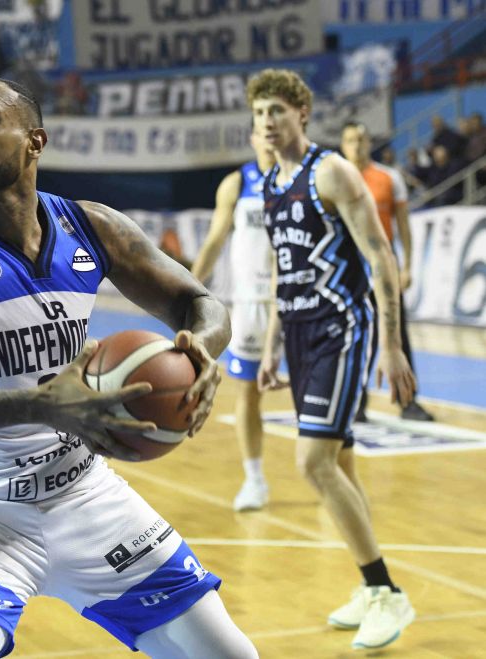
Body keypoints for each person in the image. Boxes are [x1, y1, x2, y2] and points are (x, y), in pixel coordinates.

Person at [0, 77, 257, 659]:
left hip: (84, 493)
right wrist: (38, 405)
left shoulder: (91, 227)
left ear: (34, 141)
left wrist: (201, 350)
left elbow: (201, 302)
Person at [249, 69, 417, 650]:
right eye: (259, 113)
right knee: (340, 464)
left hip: (340, 328)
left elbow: (380, 254)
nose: (267, 122)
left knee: (312, 462)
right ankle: (371, 589)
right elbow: (283, 268)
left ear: (302, 112)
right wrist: (273, 343)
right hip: (298, 332)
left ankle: (386, 590)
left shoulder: (332, 171)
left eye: (276, 110)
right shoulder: (271, 183)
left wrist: (391, 343)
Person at [192, 126, 276, 511]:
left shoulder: (305, 179)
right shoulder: (238, 183)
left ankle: (330, 470)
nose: (269, 135)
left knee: (312, 393)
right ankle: (254, 479)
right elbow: (215, 240)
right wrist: (189, 289)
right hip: (252, 303)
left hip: (297, 302)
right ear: (252, 139)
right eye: (260, 130)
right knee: (249, 391)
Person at [339, 122, 434, 422]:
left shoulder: (389, 177)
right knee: (355, 336)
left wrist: (407, 266)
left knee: (397, 334)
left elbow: (403, 226)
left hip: (384, 267)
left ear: (370, 143)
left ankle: (408, 401)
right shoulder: (334, 178)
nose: (357, 145)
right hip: (349, 270)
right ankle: (356, 403)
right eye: (351, 140)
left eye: (362, 139)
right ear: (342, 145)